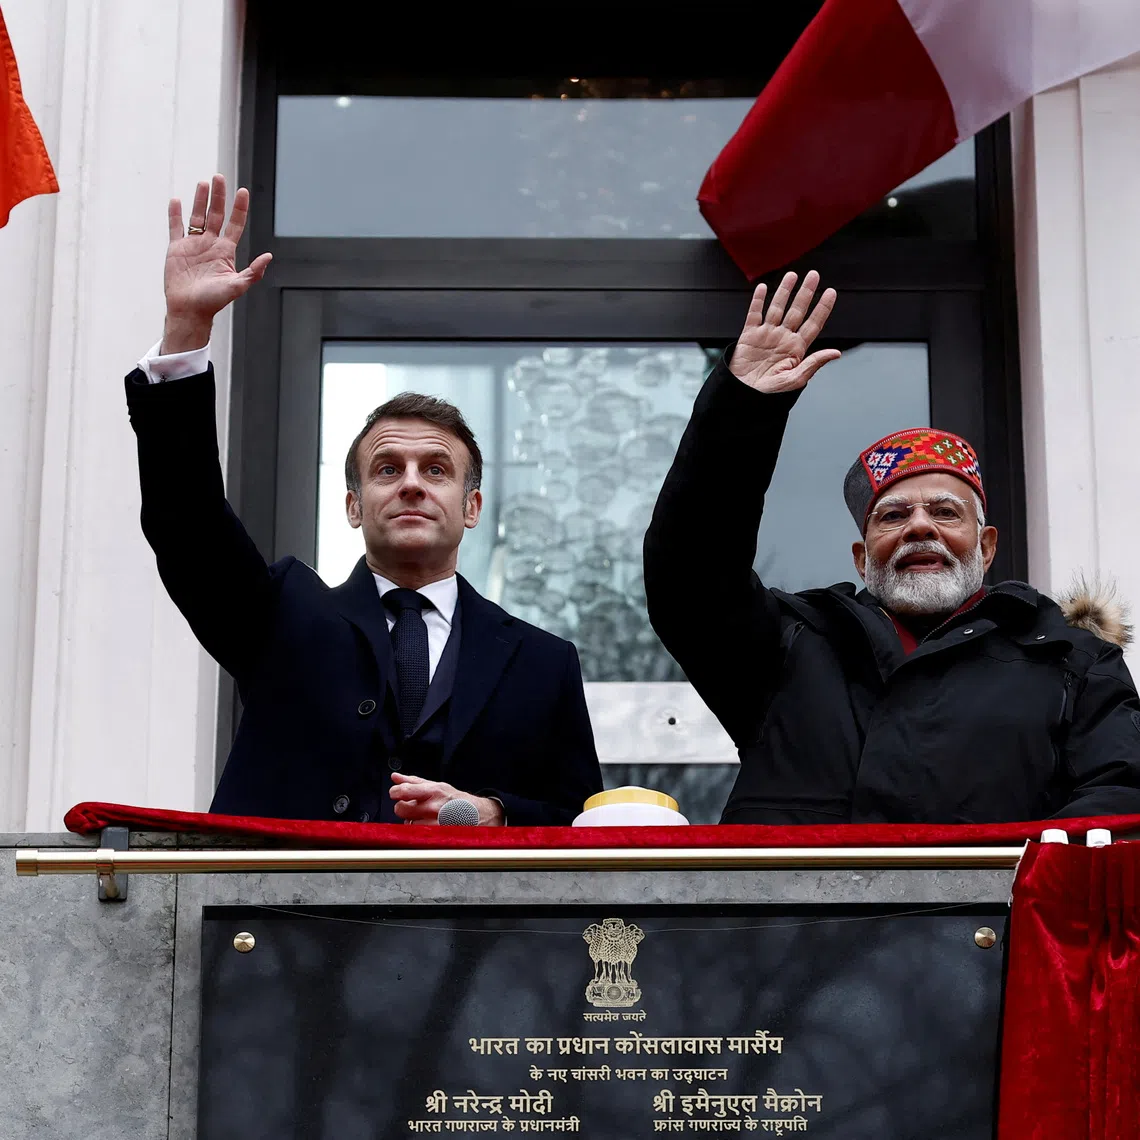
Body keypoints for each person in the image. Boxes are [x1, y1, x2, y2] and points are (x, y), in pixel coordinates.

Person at [125, 174, 602, 825]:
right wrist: (187, 328)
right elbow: (190, 525)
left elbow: (581, 824)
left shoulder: (543, 662)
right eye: (386, 468)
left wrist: (489, 813)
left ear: (472, 507)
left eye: (436, 469)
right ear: (353, 506)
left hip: (472, 928)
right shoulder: (280, 618)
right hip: (290, 924)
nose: (410, 482)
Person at [645, 270, 1140, 825]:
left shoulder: (1073, 661)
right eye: (895, 515)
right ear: (862, 557)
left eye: (946, 513)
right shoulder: (787, 645)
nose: (919, 527)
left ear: (987, 545)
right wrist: (742, 409)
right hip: (801, 916)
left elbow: (1116, 803)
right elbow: (689, 571)